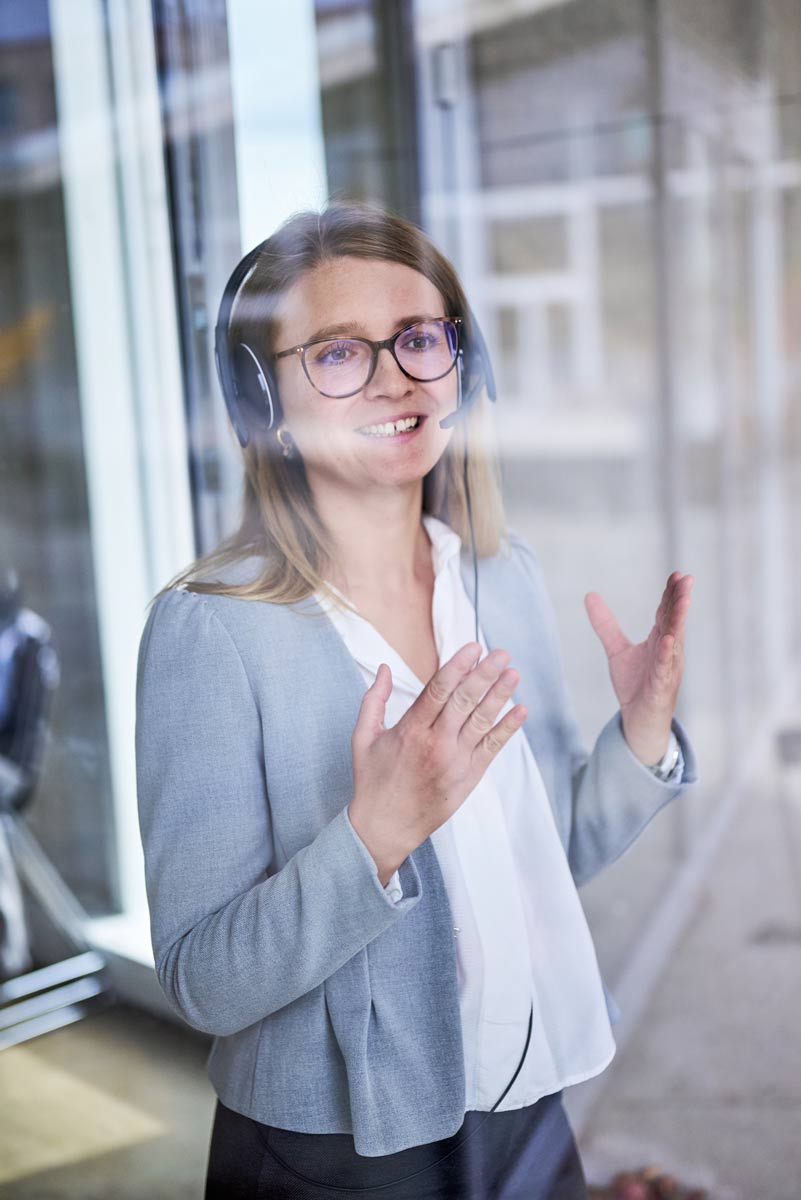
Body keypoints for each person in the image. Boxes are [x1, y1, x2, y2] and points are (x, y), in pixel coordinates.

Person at [135, 200, 699, 1199]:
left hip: (525, 1119)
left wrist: (641, 734)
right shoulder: (210, 630)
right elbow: (202, 980)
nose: (398, 376)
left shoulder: (497, 577)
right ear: (263, 400)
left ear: (461, 367)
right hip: (338, 1155)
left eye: (421, 339)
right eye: (340, 353)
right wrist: (375, 834)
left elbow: (544, 850)